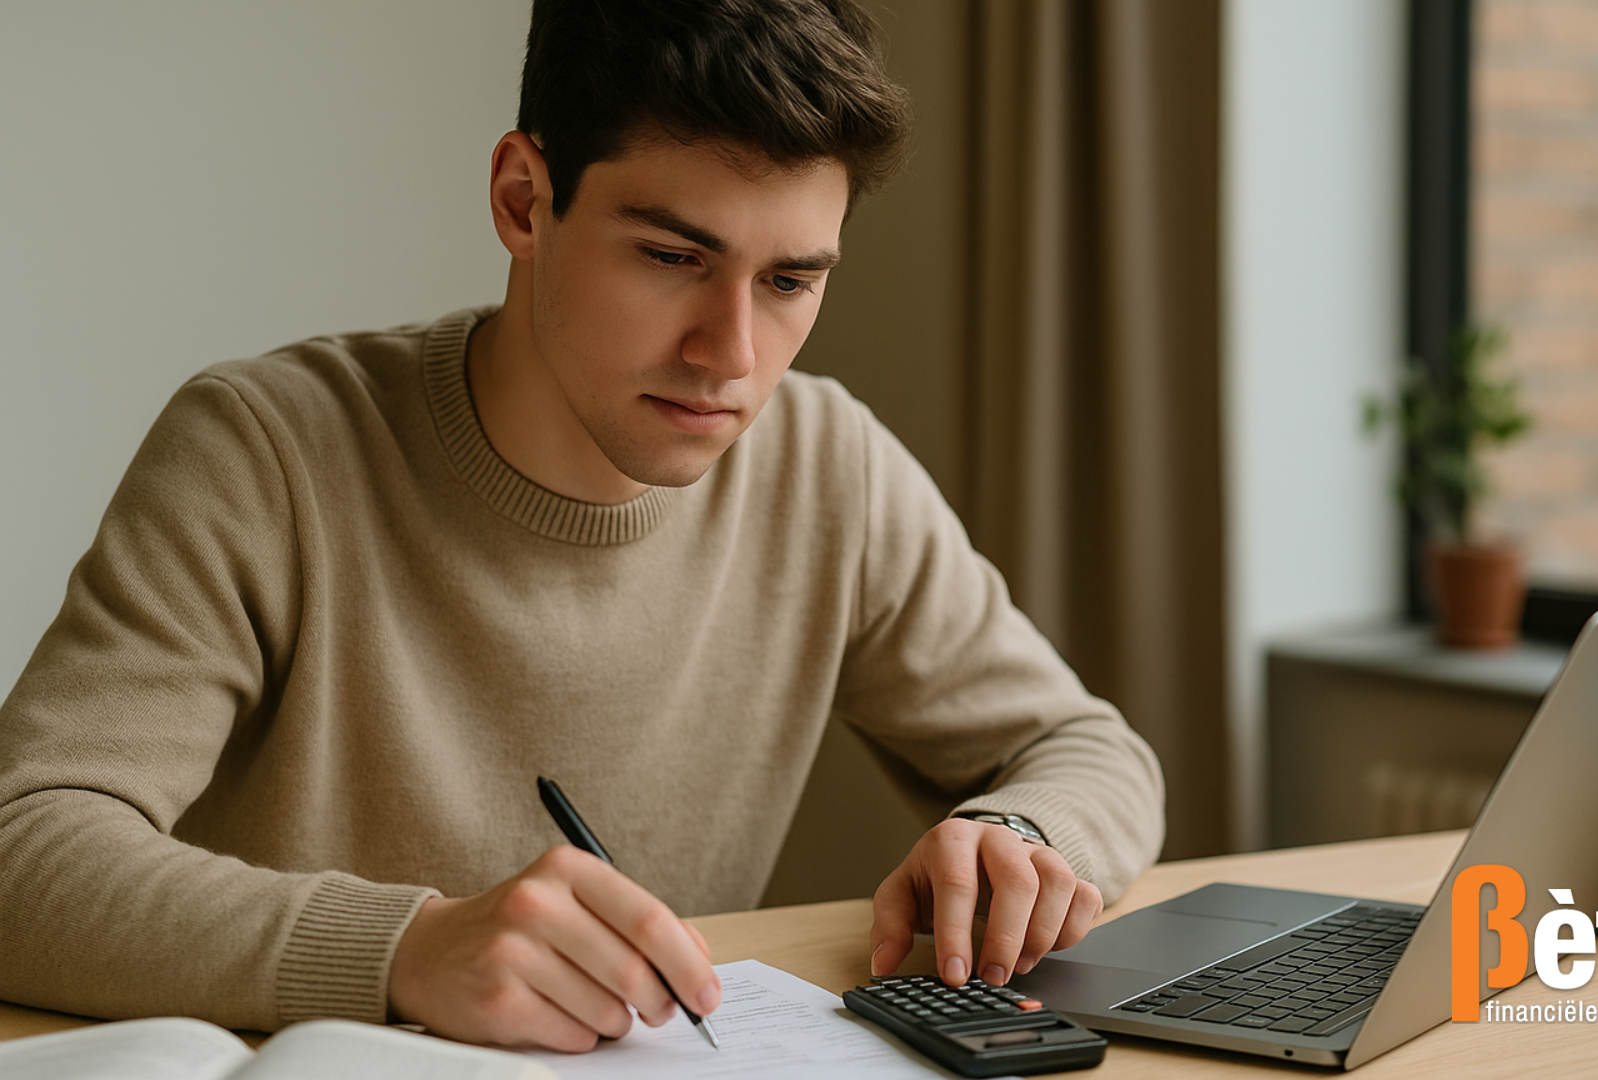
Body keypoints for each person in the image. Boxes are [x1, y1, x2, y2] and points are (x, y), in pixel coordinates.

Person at [0, 0, 1164, 1055]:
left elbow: (1093, 750)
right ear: (523, 199)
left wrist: (1021, 832)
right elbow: (24, 848)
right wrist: (406, 948)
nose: (733, 357)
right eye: (672, 257)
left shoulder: (827, 466)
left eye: (791, 281)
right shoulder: (267, 451)